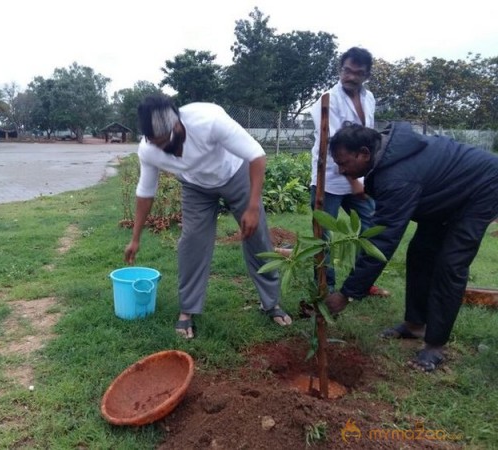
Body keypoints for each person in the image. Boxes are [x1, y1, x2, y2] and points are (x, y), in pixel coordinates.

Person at [324, 122, 498, 372]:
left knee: (450, 264)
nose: (341, 171)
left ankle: (435, 346)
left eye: (343, 163)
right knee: (420, 253)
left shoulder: (398, 177)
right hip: (442, 194)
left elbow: (383, 240)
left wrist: (347, 293)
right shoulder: (389, 157)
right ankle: (415, 325)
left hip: (481, 188)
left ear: (364, 153)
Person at [124, 95, 292, 339]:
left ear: (177, 125)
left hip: (235, 174)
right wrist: (135, 238)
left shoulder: (208, 120)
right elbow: (145, 192)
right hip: (195, 186)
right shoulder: (149, 150)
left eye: (165, 140)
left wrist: (253, 207)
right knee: (192, 242)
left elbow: (257, 155)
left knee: (258, 238)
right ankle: (187, 310)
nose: (163, 148)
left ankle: (271, 302)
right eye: (156, 143)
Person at [304, 46, 389, 297]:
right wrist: (353, 180)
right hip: (330, 176)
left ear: (366, 75)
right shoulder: (327, 100)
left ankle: (362, 281)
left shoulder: (368, 97)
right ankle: (326, 286)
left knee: (372, 226)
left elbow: (367, 140)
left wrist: (363, 178)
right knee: (324, 236)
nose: (349, 76)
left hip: (360, 177)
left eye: (357, 72)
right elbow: (334, 147)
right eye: (346, 70)